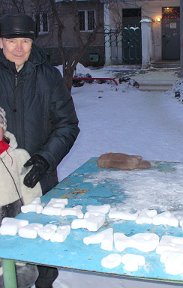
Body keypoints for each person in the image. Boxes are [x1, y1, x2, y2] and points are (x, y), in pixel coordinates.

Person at [0, 14, 80, 288]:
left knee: (42, 248)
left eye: (25, 40)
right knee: (4, 252)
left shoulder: (48, 76)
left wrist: (45, 160)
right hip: (0, 184)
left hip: (40, 180)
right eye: (12, 40)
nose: (19, 47)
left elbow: (68, 125)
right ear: (1, 42)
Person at [0, 106, 41, 288]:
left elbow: (31, 190)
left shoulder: (19, 156)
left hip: (15, 215)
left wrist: (34, 214)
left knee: (21, 267)